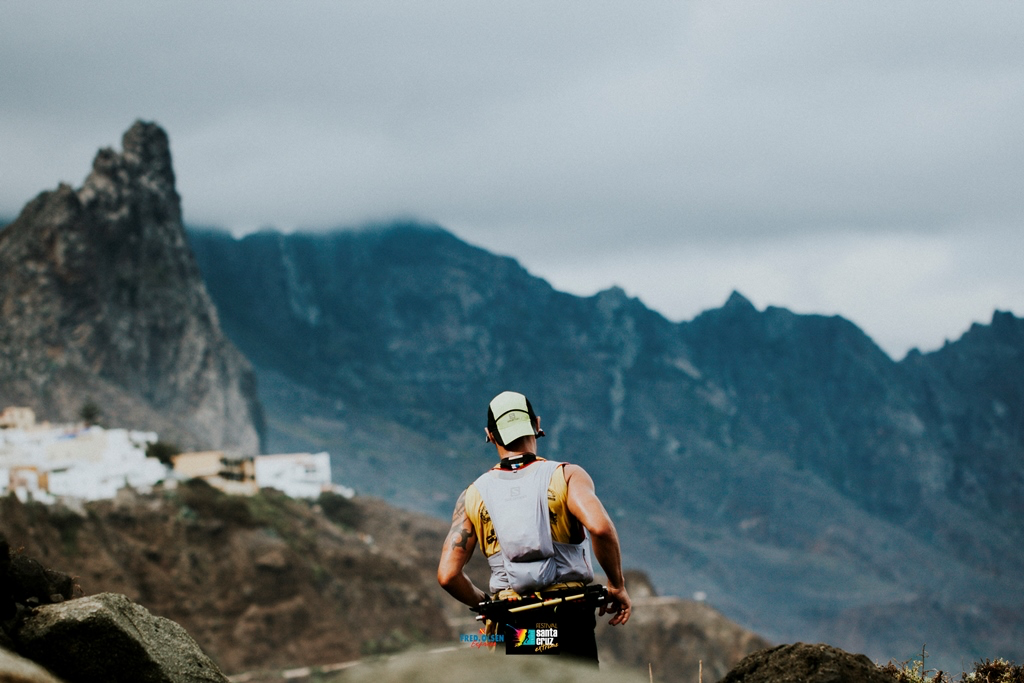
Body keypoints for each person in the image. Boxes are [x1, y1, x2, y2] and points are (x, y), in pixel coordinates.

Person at [437, 390, 631, 662]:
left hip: (515, 624)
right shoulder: (567, 476)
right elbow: (600, 528)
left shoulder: (473, 495)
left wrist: (487, 605)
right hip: (570, 618)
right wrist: (616, 584)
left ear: (490, 435)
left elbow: (448, 575)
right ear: (537, 425)